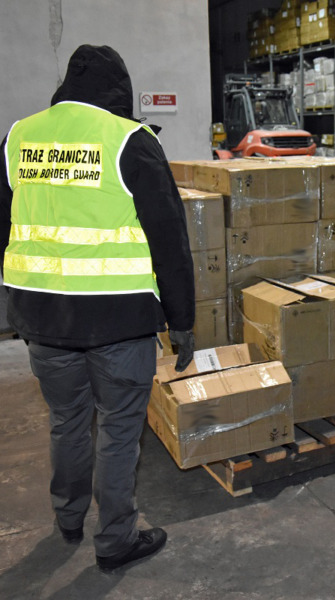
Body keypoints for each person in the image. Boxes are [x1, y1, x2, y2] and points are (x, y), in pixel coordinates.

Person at [0, 45, 195, 572]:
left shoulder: (19, 138)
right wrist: (182, 321)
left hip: (42, 319)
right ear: (119, 90)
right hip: (119, 321)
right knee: (118, 430)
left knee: (67, 420)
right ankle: (115, 540)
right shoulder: (129, 140)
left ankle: (68, 518)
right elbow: (170, 241)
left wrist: (17, 298)